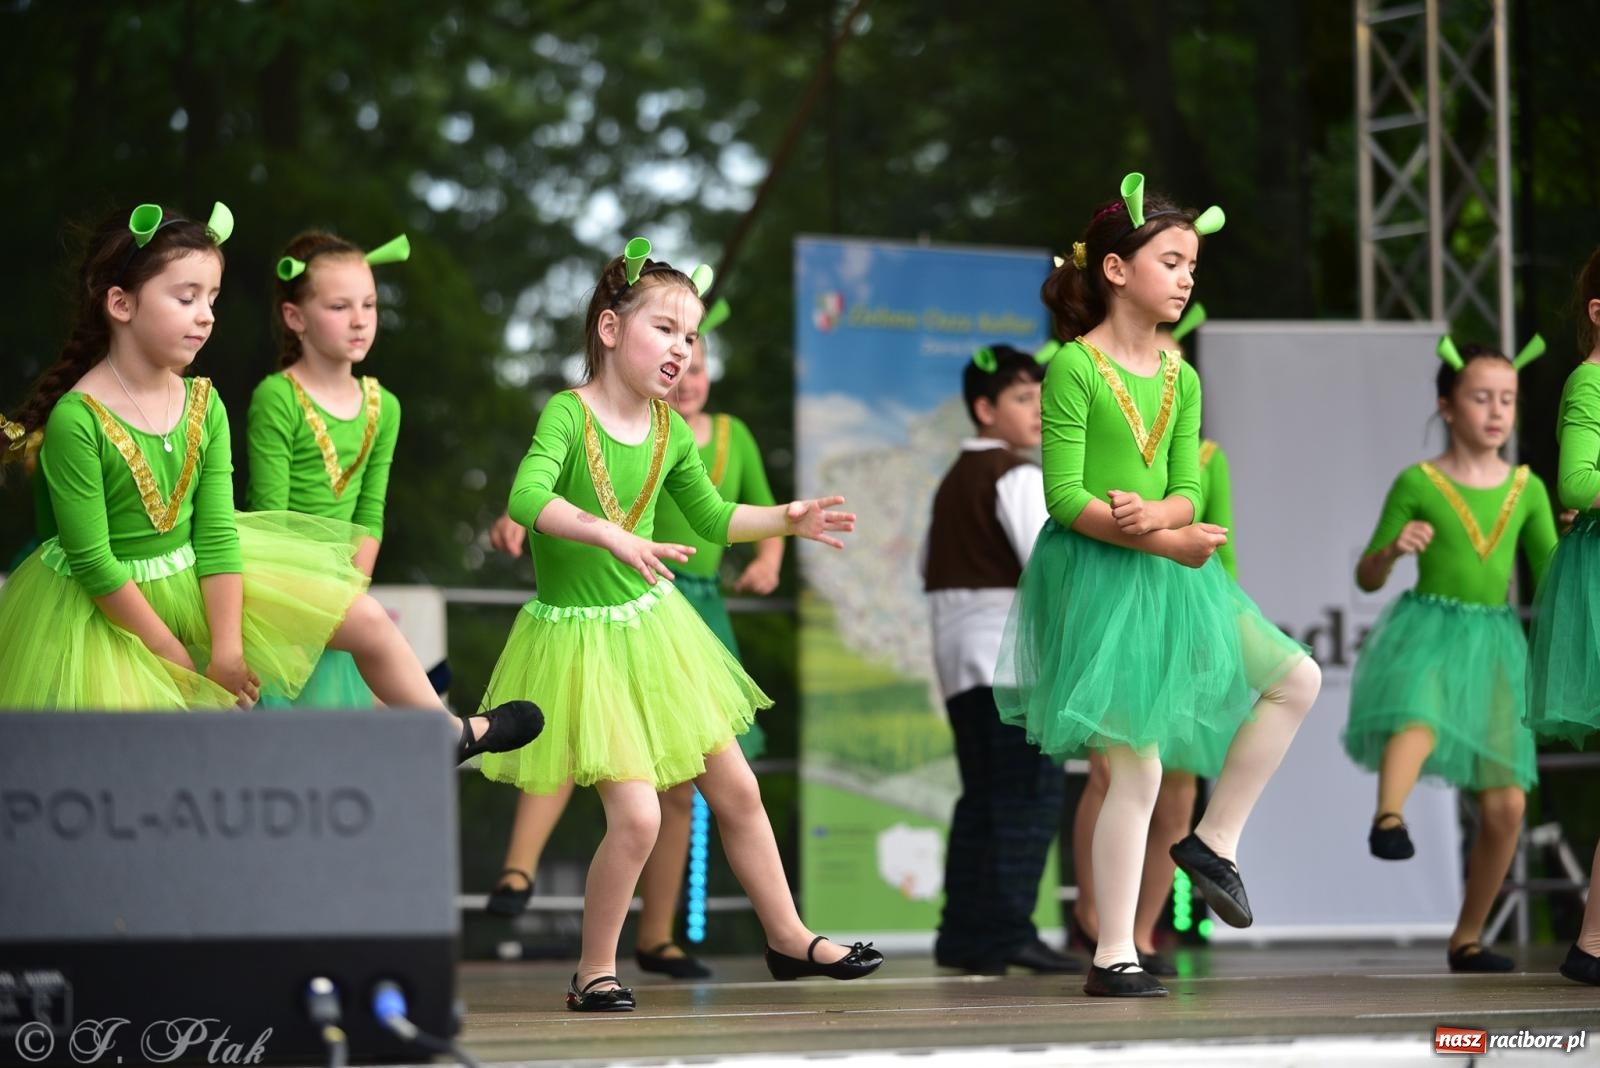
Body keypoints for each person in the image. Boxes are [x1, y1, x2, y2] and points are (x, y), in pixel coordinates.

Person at [475, 238, 882, 1012]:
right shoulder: (569, 412)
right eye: (664, 329)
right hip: (581, 642)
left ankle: (788, 937)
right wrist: (609, 533)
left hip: (657, 632)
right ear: (608, 329)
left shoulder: (667, 430)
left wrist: (785, 520)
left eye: (691, 336)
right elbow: (528, 499)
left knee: (738, 789)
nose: (680, 349)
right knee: (634, 816)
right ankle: (595, 967)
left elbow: (716, 517)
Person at [0, 202, 540, 767]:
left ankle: (447, 731)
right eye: (186, 298)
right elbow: (94, 563)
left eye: (212, 298)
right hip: (107, 611)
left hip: (197, 572)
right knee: (142, 765)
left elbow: (215, 532)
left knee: (367, 619)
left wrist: (228, 649)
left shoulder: (203, 404)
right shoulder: (77, 419)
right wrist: (177, 659)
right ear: (120, 303)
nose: (206, 314)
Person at [997, 174, 1321, 998]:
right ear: (1115, 269)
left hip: (1169, 572)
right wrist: (1148, 531)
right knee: (1135, 769)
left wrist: (1168, 524)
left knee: (1297, 679)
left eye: (1191, 266)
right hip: (1097, 580)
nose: (1185, 277)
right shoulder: (1073, 366)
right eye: (1171, 260)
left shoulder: (1182, 375)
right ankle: (1113, 953)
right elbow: (1065, 497)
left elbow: (1186, 486)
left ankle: (1215, 840)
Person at [1345, 335, 1555, 972]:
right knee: (1417, 713)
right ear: (1447, 405)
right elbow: (1368, 577)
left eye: (1508, 400)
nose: (1496, 411)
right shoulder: (1419, 481)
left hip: (1494, 643)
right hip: (1430, 628)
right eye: (1481, 398)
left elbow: (1548, 577)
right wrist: (1393, 549)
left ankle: (1468, 935)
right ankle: (1389, 819)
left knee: (1508, 803)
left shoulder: (1528, 487)